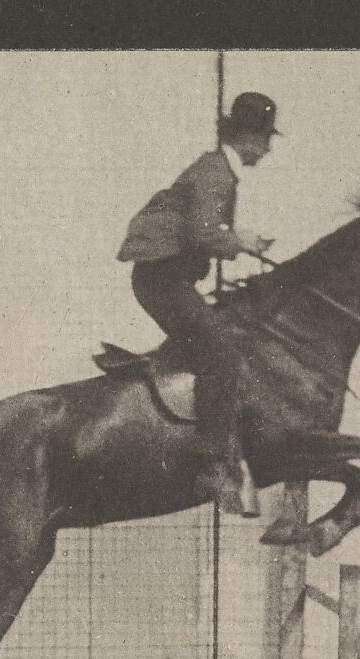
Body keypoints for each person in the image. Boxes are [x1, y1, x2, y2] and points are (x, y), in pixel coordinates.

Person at [117, 92, 280, 517]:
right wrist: (240, 241)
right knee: (221, 356)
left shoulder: (217, 169)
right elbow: (203, 234)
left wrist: (242, 239)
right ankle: (211, 465)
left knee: (212, 340)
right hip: (160, 278)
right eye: (266, 138)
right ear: (250, 137)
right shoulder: (216, 172)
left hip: (163, 276)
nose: (268, 148)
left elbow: (203, 227)